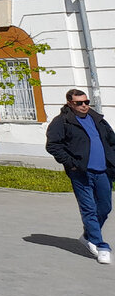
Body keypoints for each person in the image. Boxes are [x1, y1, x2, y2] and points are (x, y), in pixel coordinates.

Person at [46, 89, 115, 265]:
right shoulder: (62, 122)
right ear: (70, 103)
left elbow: (111, 140)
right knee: (89, 209)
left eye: (86, 102)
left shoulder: (97, 119)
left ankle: (88, 235)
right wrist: (72, 164)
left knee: (105, 207)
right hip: (81, 173)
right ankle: (100, 246)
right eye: (79, 103)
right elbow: (53, 145)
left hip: (103, 171)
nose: (84, 105)